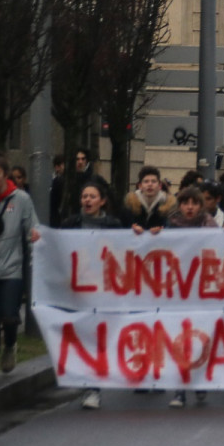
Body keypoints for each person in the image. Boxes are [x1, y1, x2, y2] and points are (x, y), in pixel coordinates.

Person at [61, 181, 122, 408]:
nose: (87, 200)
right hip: (77, 289)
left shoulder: (114, 226)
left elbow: (125, 250)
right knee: (83, 334)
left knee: (96, 337)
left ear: (102, 201)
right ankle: (88, 381)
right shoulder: (70, 224)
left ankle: (93, 389)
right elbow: (57, 247)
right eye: (84, 196)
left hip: (104, 289)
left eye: (92, 196)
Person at [163, 187, 217, 408]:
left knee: (201, 336)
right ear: (180, 205)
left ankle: (199, 378)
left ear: (201, 206)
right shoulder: (170, 225)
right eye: (186, 203)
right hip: (178, 290)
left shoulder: (211, 226)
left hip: (204, 290)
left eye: (194, 203)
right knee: (181, 337)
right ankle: (180, 388)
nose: (190, 207)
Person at [0, 153, 40, 374]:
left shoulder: (21, 199)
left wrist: (36, 245)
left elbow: (32, 228)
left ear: (5, 174)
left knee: (9, 317)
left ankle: (10, 345)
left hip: (11, 268)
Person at [123, 165, 176, 231]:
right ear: (140, 186)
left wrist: (163, 230)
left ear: (160, 186)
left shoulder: (170, 206)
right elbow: (122, 227)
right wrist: (132, 229)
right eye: (146, 181)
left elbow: (173, 228)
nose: (150, 184)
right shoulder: (130, 205)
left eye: (153, 181)